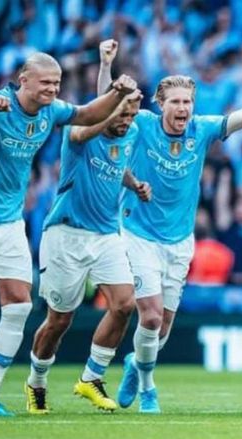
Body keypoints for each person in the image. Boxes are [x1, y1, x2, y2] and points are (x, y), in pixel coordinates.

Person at [96, 39, 242, 413]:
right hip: (139, 234)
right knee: (151, 316)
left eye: (188, 101)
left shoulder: (201, 131)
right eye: (175, 101)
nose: (183, 108)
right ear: (160, 104)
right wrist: (106, 65)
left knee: (165, 326)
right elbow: (104, 108)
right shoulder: (140, 125)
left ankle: (134, 366)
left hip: (180, 240)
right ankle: (148, 387)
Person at [0, 52, 139, 417]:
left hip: (8, 224)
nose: (53, 89)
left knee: (20, 305)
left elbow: (87, 114)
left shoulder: (52, 111)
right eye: (46, 83)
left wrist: (117, 91)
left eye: (57, 83)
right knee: (53, 316)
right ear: (23, 80)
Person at [24, 91, 151, 414]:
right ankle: (36, 381)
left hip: (106, 233)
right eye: (122, 114)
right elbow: (84, 131)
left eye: (133, 115)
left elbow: (117, 162)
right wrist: (110, 107)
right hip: (66, 233)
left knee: (125, 304)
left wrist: (134, 184)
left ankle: (92, 378)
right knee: (59, 320)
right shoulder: (78, 132)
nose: (127, 122)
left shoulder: (131, 132)